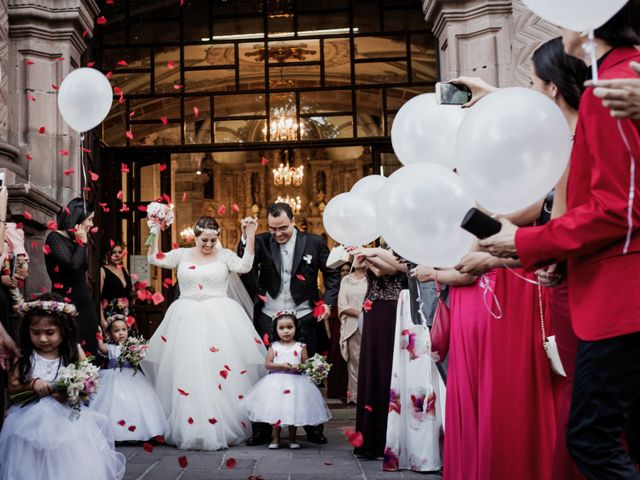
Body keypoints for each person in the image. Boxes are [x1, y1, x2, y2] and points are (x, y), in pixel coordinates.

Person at [479, 4, 640, 477]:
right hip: (612, 286)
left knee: (590, 438)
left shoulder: (612, 84)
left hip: (621, 293)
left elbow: (621, 208)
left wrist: (528, 243)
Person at [144, 215, 267, 450]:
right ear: (195, 236)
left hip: (220, 317)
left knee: (219, 368)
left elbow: (246, 266)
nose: (209, 245)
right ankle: (187, 425)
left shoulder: (225, 255)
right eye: (204, 241)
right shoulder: (182, 254)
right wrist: (154, 230)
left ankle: (222, 423)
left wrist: (250, 235)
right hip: (186, 316)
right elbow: (153, 257)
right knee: (187, 369)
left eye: (213, 240)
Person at [238, 202, 340, 446]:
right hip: (268, 314)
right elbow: (246, 263)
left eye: (282, 227)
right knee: (264, 372)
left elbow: (332, 274)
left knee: (308, 370)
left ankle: (313, 427)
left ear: (293, 221)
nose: (277, 233)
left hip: (304, 313)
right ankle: (262, 429)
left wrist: (326, 303)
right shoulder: (262, 241)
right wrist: (245, 237)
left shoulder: (314, 242)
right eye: (272, 229)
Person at [0, 293, 125, 480]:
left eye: (49, 333)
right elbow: (13, 386)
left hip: (67, 420)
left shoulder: (72, 352)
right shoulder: (27, 355)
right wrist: (33, 383)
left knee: (68, 460)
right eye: (35, 333)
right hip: (30, 422)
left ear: (64, 330)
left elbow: (88, 379)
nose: (42, 339)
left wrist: (72, 391)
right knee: (32, 464)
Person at [347, 244, 407, 460]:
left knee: (387, 367)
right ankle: (372, 439)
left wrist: (369, 253)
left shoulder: (406, 245)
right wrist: (366, 256)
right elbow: (377, 269)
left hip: (392, 307)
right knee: (372, 367)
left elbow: (391, 269)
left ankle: (384, 438)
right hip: (373, 307)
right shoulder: (383, 247)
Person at [241, 311, 331, 449]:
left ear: (296, 328)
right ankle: (275, 439)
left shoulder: (301, 347)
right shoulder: (274, 346)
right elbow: (268, 364)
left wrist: (301, 367)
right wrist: (281, 365)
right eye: (282, 328)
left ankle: (292, 439)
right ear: (276, 330)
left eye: (290, 327)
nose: (286, 331)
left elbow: (305, 364)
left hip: (296, 382)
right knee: (276, 410)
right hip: (276, 383)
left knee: (292, 410)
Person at [93, 315, 168, 442]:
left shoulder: (133, 346)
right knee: (115, 403)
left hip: (132, 378)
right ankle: (116, 432)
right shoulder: (110, 348)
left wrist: (138, 352)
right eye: (116, 331)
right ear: (110, 334)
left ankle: (136, 431)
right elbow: (101, 347)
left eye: (123, 330)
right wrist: (99, 334)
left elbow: (143, 354)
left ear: (128, 331)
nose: (121, 333)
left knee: (135, 403)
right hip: (113, 378)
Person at [45, 197, 99, 356]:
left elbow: (82, 268)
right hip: (65, 303)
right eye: (89, 219)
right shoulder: (55, 237)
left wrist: (80, 243)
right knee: (71, 349)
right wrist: (81, 243)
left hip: (85, 303)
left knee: (90, 347)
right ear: (78, 217)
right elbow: (72, 266)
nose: (91, 224)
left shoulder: (77, 240)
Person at [337, 257, 367, 404]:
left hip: (371, 323)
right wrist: (361, 314)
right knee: (355, 361)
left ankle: (369, 394)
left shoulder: (372, 279)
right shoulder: (346, 280)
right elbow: (342, 305)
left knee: (369, 360)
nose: (359, 259)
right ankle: (355, 397)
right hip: (353, 324)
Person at [100, 240, 135, 332]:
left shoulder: (125, 270)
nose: (117, 255)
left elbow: (128, 292)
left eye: (120, 252)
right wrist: (102, 319)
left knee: (129, 342)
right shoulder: (102, 270)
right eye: (113, 252)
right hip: (110, 312)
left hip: (127, 313)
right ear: (107, 254)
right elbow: (98, 298)